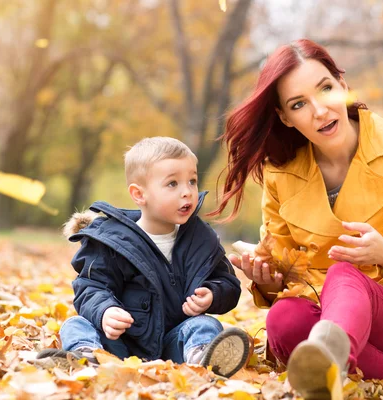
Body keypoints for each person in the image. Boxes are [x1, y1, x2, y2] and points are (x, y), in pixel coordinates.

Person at [209, 39, 383, 397]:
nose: (320, 111)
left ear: (343, 86)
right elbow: (285, 270)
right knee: (283, 320)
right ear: (285, 117)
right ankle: (343, 365)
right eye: (299, 104)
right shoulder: (280, 172)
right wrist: (266, 279)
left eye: (325, 89)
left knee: (345, 272)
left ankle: (338, 353)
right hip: (320, 314)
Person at [38, 137, 249, 378]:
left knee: (206, 325)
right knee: (75, 325)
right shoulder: (113, 242)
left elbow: (228, 284)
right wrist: (105, 311)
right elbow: (90, 286)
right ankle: (86, 357)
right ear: (139, 194)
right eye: (172, 184)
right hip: (118, 343)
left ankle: (202, 359)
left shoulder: (201, 239)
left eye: (192, 181)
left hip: (174, 343)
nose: (187, 192)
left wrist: (212, 294)